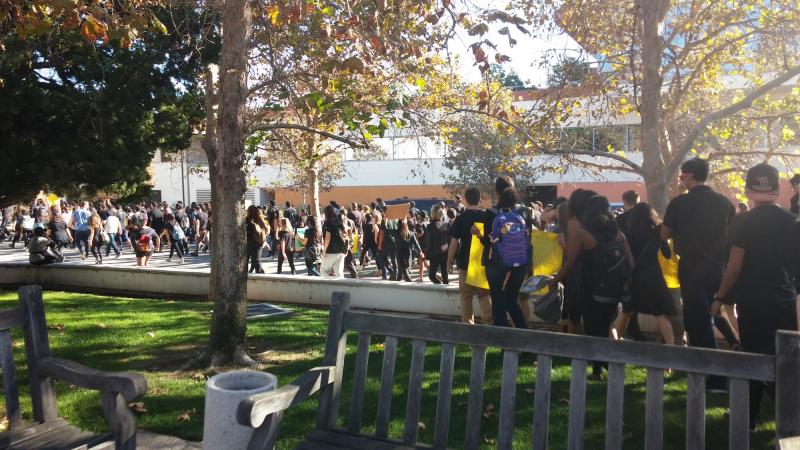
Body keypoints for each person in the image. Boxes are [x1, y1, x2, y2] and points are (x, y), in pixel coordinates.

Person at [712, 163, 798, 428]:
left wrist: (719, 297)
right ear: (776, 188)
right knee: (784, 359)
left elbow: (734, 266)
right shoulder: (790, 221)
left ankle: (750, 416)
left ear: (749, 189)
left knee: (753, 358)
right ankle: (788, 414)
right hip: (784, 298)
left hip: (753, 299)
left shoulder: (743, 222)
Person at [662, 158, 734, 392]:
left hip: (692, 266)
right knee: (701, 318)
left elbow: (664, 234)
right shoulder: (724, 203)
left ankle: (716, 376)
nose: (680, 181)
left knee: (699, 320)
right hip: (718, 267)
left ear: (691, 176)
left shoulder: (680, 203)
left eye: (682, 177)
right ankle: (700, 367)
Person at [551, 195, 634, 379]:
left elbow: (570, 263)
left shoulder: (583, 234)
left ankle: (599, 368)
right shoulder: (618, 234)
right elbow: (630, 262)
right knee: (607, 325)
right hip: (614, 290)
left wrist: (554, 280)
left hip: (591, 289)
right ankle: (609, 364)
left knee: (592, 329)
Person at [610, 203, 676, 345]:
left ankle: (614, 346)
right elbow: (667, 254)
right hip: (653, 276)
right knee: (661, 314)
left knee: (626, 312)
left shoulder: (629, 232)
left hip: (633, 277)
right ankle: (671, 353)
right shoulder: (657, 231)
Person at [475, 183, 530, 329]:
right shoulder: (524, 212)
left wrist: (480, 236)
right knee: (511, 300)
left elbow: (488, 241)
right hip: (520, 262)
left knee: (498, 300)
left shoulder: (491, 212)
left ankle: (501, 342)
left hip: (497, 262)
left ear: (498, 194)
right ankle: (524, 338)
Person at [447, 187, 492, 324]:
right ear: (479, 200)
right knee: (484, 295)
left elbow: (454, 244)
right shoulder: (486, 217)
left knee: (466, 297)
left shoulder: (460, 219)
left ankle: (468, 326)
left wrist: (449, 262)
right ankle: (488, 324)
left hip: (465, 262)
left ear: (465, 200)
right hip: (482, 262)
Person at [321, 205, 348, 278]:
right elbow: (345, 234)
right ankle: (341, 286)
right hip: (341, 250)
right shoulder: (339, 222)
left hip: (331, 250)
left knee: (324, 270)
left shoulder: (328, 223)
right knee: (339, 273)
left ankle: (326, 287)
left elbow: (327, 238)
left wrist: (324, 250)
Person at [425, 204, 450, 284]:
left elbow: (429, 241)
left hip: (434, 253)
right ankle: (446, 289)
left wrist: (427, 255)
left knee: (431, 275)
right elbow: (449, 239)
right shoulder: (446, 225)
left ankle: (439, 285)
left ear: (433, 213)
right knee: (445, 274)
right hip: (445, 252)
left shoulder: (430, 226)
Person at [246, 205, 268, 274]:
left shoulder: (247, 219)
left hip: (249, 242)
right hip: (259, 242)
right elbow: (266, 230)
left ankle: (246, 273)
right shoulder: (259, 219)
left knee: (245, 260)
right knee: (257, 260)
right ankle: (260, 273)